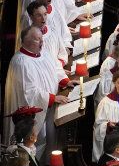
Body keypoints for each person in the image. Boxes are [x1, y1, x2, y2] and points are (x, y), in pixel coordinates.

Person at [3, 27, 73, 156]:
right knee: (33, 142)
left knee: (46, 141)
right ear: (26, 41)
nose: (42, 42)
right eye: (37, 39)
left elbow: (54, 67)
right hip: (34, 112)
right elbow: (28, 92)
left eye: (41, 38)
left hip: (48, 105)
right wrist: (52, 98)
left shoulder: (44, 53)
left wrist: (64, 80)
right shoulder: (21, 62)